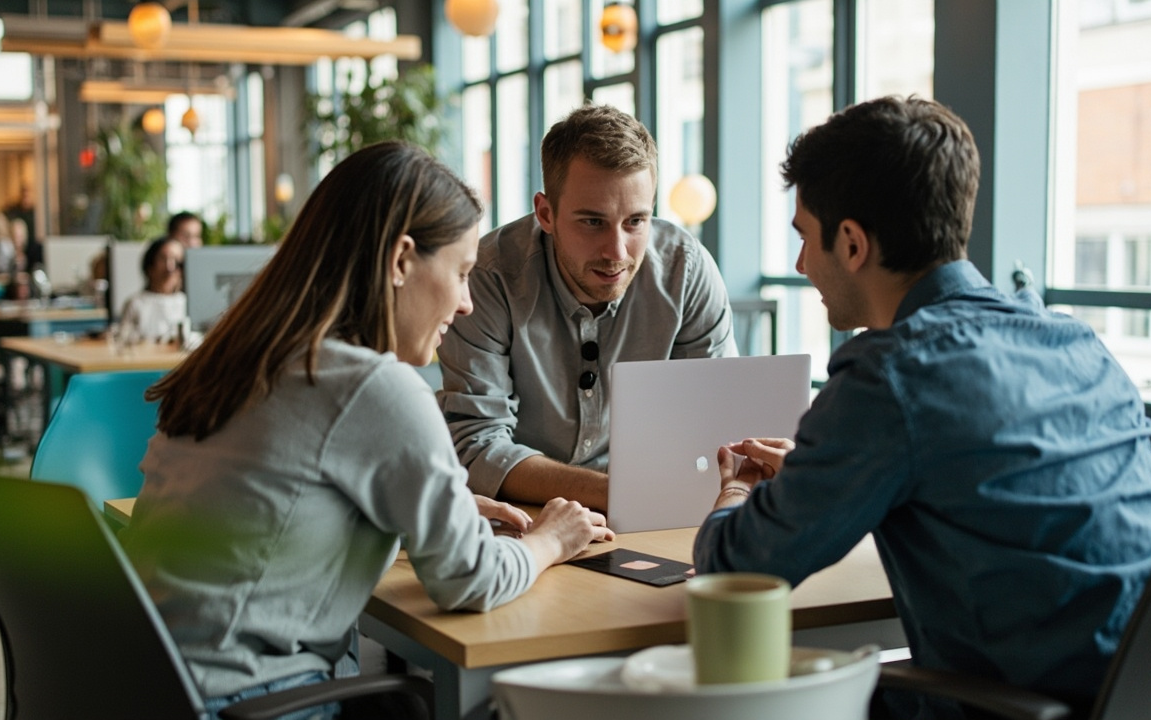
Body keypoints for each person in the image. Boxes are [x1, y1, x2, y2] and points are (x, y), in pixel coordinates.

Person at [692, 96, 1151, 718]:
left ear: (853, 242)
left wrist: (737, 493)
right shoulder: (1073, 342)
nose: (801, 265)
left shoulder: (889, 376)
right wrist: (821, 475)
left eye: (806, 239)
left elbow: (735, 570)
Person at [119, 140, 613, 719]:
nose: (465, 305)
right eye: (459, 274)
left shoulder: (247, 354)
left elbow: (279, 509)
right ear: (401, 260)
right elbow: (470, 581)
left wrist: (439, 508)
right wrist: (551, 539)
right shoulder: (374, 387)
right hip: (248, 701)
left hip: (147, 685)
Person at [437, 104, 738, 512]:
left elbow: (713, 428)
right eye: (593, 222)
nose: (617, 252)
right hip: (525, 512)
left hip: (656, 511)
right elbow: (476, 448)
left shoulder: (686, 271)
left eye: (635, 222)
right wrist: (624, 495)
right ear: (546, 212)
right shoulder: (489, 276)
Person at [118, 236, 187, 343]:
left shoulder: (186, 303)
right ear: (150, 266)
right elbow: (123, 340)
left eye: (177, 261)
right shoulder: (135, 303)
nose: (170, 268)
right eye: (164, 259)